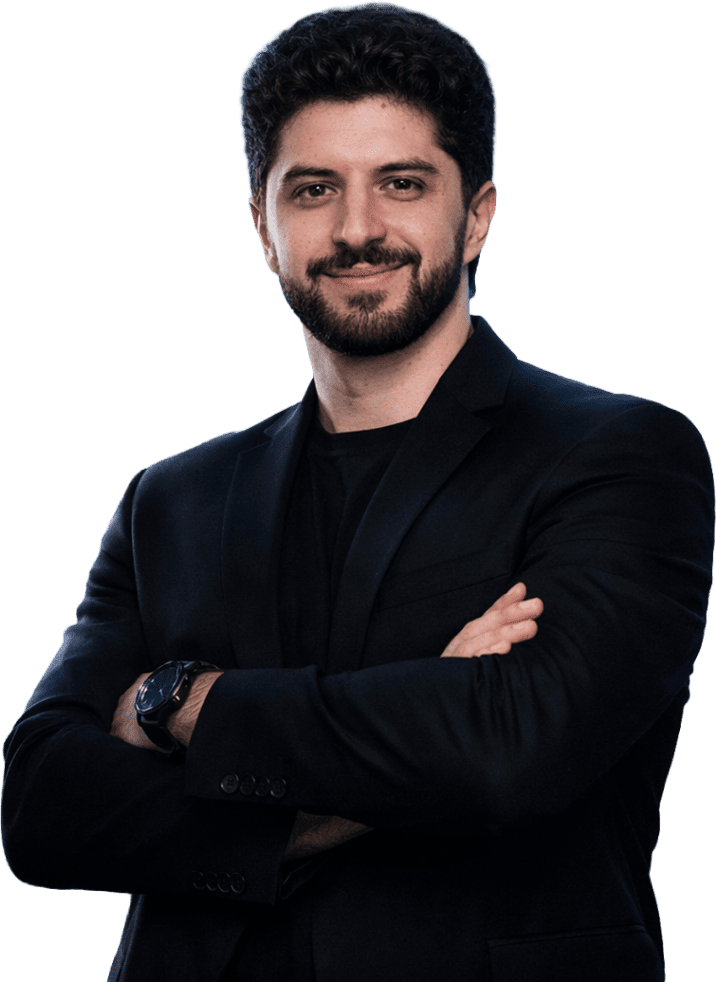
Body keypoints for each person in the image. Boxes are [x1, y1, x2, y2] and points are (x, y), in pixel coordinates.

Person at [2, 3, 713, 980]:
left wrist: (183, 704)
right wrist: (416, 729)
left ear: (476, 214)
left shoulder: (616, 456)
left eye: (402, 183)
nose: (357, 228)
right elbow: (41, 808)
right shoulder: (172, 499)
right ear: (263, 227)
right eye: (313, 190)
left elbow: (510, 751)